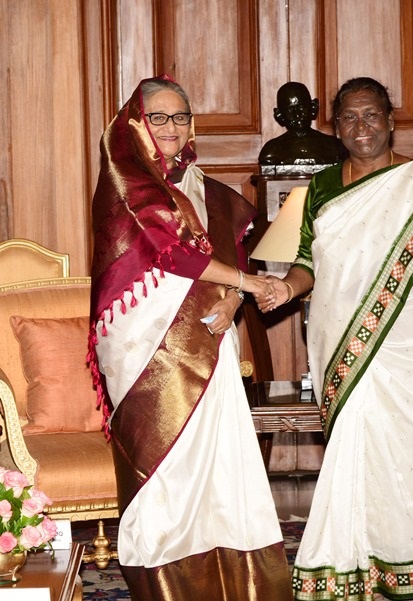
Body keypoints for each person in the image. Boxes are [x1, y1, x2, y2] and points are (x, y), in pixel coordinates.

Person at [255, 77, 413, 600]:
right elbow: (309, 262)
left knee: (412, 452)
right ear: (336, 127)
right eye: (350, 118)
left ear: (390, 120)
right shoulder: (322, 187)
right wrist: (283, 289)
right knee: (355, 449)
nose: (362, 128)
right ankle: (348, 564)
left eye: (371, 115)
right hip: (343, 342)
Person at [88, 75, 293, 601]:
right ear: (135, 123)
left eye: (180, 117)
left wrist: (236, 298)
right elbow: (175, 254)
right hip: (145, 348)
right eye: (159, 117)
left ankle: (233, 576)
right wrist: (250, 283)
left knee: (219, 458)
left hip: (209, 330)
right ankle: (166, 581)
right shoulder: (126, 179)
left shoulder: (200, 185)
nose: (172, 127)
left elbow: (226, 254)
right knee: (166, 464)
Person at [258, 81, 347, 166]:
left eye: (301, 107)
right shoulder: (271, 151)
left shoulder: (333, 146)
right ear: (280, 115)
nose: (297, 115)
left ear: (313, 107)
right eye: (290, 110)